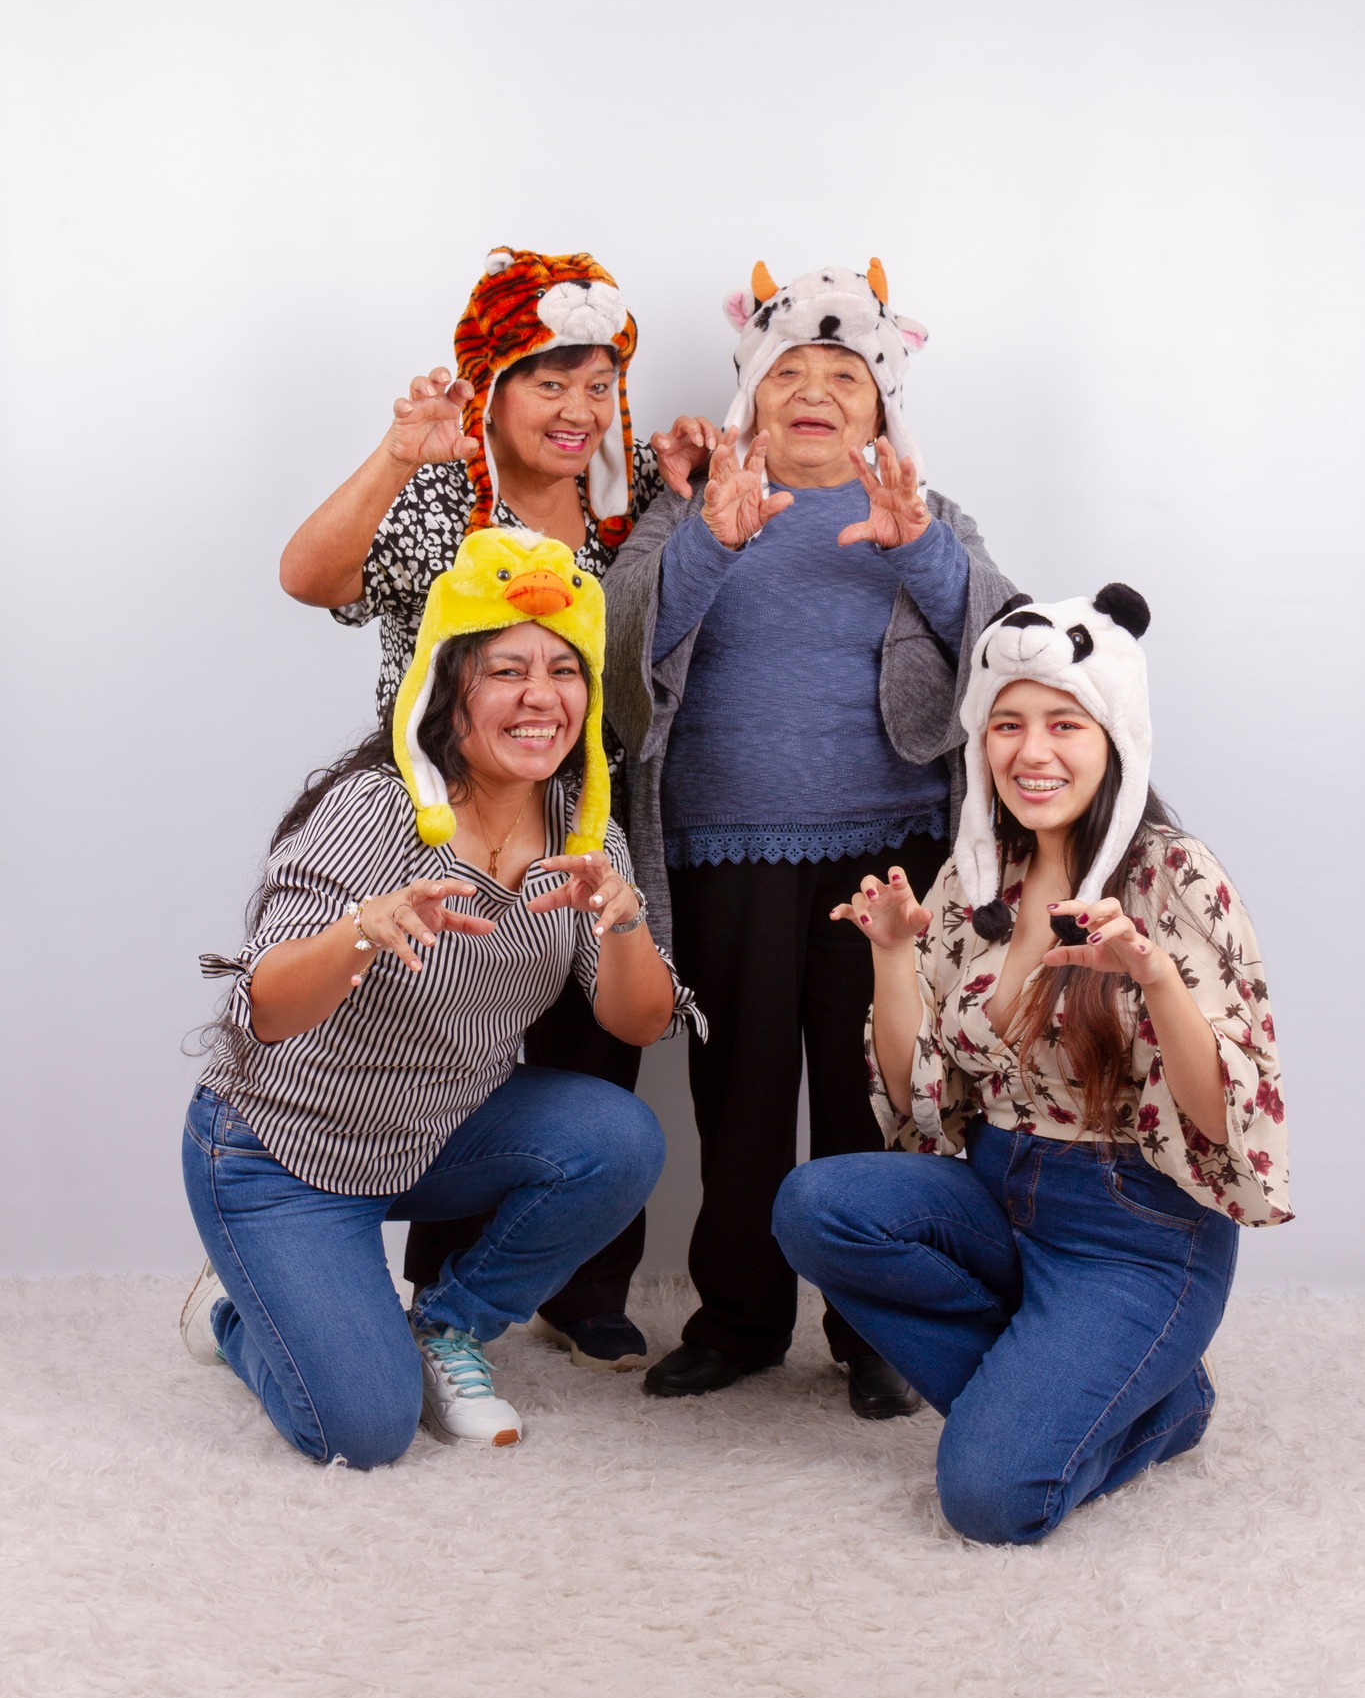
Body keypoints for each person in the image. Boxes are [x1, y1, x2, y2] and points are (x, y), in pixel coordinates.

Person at [773, 585, 1289, 1543]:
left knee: (991, 1501)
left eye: (1062, 722)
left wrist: (1155, 981)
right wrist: (889, 954)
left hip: (1136, 1230)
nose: (1030, 751)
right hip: (1000, 1186)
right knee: (814, 1205)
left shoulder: (1172, 876)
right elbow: (916, 1100)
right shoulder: (975, 876)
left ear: (1114, 736)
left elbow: (1225, 1120)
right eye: (1006, 724)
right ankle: (1094, 1393)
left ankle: (1160, 1407)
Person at [278, 246, 713, 1369]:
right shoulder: (440, 493)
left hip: (579, 798)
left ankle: (578, 1284)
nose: (578, 409)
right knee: (441, 1022)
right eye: (547, 381)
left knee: (590, 1035)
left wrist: (688, 484)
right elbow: (308, 577)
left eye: (598, 384)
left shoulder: (620, 505)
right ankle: (416, 1284)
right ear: (492, 387)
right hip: (437, 802)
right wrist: (397, 451)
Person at [181, 530, 699, 1466]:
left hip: (433, 1133)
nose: (541, 696)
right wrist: (358, 933)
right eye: (507, 670)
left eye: (563, 671)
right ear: (445, 688)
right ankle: (244, 1319)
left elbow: (640, 1023)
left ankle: (446, 1325)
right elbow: (261, 1009)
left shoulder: (584, 836)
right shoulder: (377, 811)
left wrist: (623, 924)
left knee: (619, 1139)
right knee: (367, 1432)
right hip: (280, 1152)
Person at [603, 259, 1019, 1415]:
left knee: (871, 1096)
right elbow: (623, 662)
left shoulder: (932, 516)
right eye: (790, 367)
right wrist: (709, 542)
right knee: (734, 1094)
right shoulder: (690, 509)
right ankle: (736, 1319)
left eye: (846, 373)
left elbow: (1006, 647)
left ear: (883, 404)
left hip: (885, 852)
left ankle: (873, 1327)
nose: (817, 388)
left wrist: (919, 546)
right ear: (754, 391)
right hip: (722, 845)